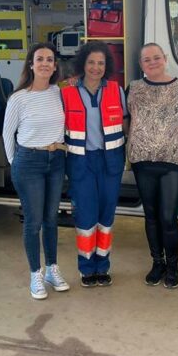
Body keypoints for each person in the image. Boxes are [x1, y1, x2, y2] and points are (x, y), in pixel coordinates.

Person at [2, 42, 70, 300]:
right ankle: (35, 274)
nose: (45, 63)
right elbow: (8, 134)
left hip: (56, 160)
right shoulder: (19, 98)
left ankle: (53, 269)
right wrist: (15, 164)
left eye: (49, 60)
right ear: (31, 64)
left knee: (51, 219)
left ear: (55, 66)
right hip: (29, 162)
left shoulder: (58, 92)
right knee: (33, 222)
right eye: (39, 59)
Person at [62, 41, 128, 288]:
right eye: (91, 62)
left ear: (106, 66)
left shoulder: (116, 90)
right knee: (86, 216)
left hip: (110, 159)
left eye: (101, 63)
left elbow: (124, 124)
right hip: (80, 161)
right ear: (82, 63)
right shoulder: (66, 92)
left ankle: (103, 265)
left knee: (106, 215)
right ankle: (86, 268)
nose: (96, 67)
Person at [127, 43, 178, 289]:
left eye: (156, 57)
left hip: (172, 162)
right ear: (141, 64)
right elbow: (125, 119)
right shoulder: (133, 88)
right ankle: (158, 262)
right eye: (146, 60)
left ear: (165, 59)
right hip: (143, 162)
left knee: (168, 217)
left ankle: (173, 265)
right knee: (151, 216)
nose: (152, 62)